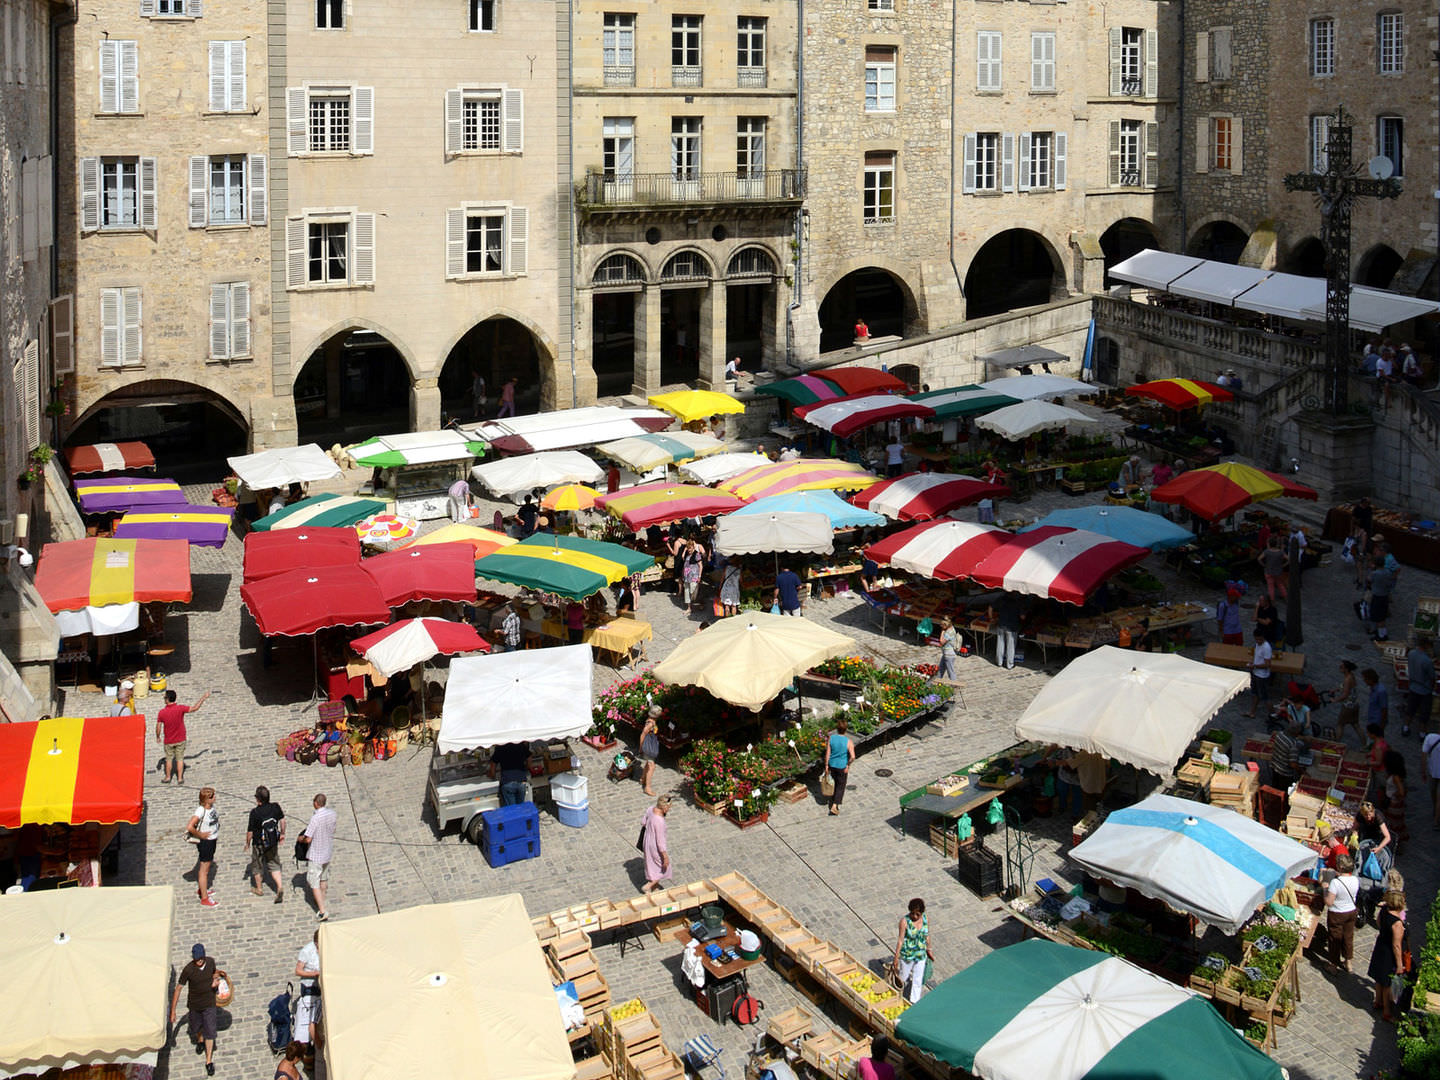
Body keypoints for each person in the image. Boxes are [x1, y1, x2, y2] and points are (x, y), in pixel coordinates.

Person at [171, 943, 220, 1076]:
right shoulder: (188, 970)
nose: (199, 961)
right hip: (195, 1005)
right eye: (197, 959)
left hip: (209, 1004)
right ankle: (200, 1040)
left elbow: (215, 972)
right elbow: (178, 989)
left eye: (201, 958)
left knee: (210, 1032)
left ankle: (208, 1061)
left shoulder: (210, 962)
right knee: (196, 1027)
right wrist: (173, 1011)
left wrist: (216, 980)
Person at [1368, 889, 1410, 1022]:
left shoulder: (1384, 911)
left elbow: (1379, 923)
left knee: (1379, 978)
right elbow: (1396, 945)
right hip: (1389, 954)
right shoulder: (1397, 923)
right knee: (1387, 983)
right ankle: (1387, 1012)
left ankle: (1377, 1001)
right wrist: (1399, 965)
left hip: (1381, 946)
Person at [156, 687, 210, 785]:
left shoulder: (162, 712)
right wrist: (203, 698)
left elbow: (158, 726)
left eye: (164, 698)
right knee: (180, 759)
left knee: (169, 759)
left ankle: (167, 777)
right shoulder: (180, 708)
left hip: (169, 740)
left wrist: (158, 736)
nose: (164, 699)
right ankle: (180, 778)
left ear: (167, 699)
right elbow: (195, 708)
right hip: (180, 738)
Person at [300, 793, 338, 922]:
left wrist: (301, 839)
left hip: (316, 854)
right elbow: (333, 830)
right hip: (327, 851)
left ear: (316, 803)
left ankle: (322, 911)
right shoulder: (332, 814)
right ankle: (321, 901)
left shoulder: (315, 818)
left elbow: (308, 838)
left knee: (314, 881)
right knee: (323, 878)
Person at [245, 786, 286, 903]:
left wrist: (247, 843)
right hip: (272, 841)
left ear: (258, 799)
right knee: (274, 864)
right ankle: (279, 886)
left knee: (257, 865)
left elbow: (250, 832)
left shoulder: (255, 813)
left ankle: (259, 889)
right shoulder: (275, 807)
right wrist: (282, 834)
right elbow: (283, 821)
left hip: (259, 843)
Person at [1323, 852, 1361, 972]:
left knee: (1335, 938)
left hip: (1337, 913)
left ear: (1340, 867)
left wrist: (1325, 889)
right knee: (1348, 937)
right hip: (1351, 911)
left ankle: (1333, 965)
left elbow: (1329, 902)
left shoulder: (1336, 883)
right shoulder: (1355, 880)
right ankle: (1348, 962)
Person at [892, 898, 933, 1005]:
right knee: (903, 978)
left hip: (921, 955)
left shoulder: (925, 919)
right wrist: (896, 958)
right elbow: (900, 941)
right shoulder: (904, 922)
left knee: (918, 980)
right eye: (912, 913)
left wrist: (929, 949)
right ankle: (895, 997)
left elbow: (927, 935)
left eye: (917, 914)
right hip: (907, 955)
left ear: (922, 913)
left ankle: (914, 1002)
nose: (914, 916)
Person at [186, 787, 220, 908]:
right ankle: (204, 898)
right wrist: (200, 835)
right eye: (212, 796)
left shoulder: (210, 807)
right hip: (206, 842)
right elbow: (190, 826)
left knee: (207, 867)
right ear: (206, 799)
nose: (214, 798)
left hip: (212, 840)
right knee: (204, 870)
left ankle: (203, 889)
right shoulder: (201, 810)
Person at [639, 795, 672, 893]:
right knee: (664, 867)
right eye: (669, 807)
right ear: (664, 807)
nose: (669, 810)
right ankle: (648, 886)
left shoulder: (650, 809)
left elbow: (643, 822)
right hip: (655, 846)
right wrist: (665, 856)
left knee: (653, 866)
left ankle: (655, 887)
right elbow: (660, 841)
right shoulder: (659, 821)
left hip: (647, 841)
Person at [294, 931, 322, 1047]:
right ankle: (313, 1044)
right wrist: (314, 974)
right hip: (309, 988)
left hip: (320, 987)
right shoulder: (307, 951)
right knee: (310, 1020)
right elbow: (298, 971)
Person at [1405, 638, 1434, 738]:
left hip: (1413, 686)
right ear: (1426, 645)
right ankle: (1422, 733)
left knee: (1410, 709)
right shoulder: (1427, 661)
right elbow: (1432, 677)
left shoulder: (1411, 654)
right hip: (1425, 690)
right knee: (1424, 713)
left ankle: (1406, 727)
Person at [826, 717, 855, 816]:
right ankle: (835, 805)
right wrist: (848, 765)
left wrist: (826, 765)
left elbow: (828, 753)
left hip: (832, 765)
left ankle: (832, 798)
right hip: (842, 766)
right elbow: (853, 756)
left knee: (833, 782)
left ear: (837, 729)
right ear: (846, 730)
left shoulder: (831, 738)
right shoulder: (848, 741)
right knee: (840, 786)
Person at [1381, 749, 1409, 849]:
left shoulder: (1395, 777)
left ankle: (1396, 845)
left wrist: (1394, 795)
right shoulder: (1397, 775)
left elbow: (1401, 791)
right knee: (1395, 824)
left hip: (1394, 804)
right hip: (1395, 803)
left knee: (1393, 825)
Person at [1243, 629, 1273, 718]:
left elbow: (1267, 664)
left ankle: (1273, 714)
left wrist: (1255, 666)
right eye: (1256, 639)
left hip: (1262, 676)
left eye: (1260, 639)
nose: (1258, 641)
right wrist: (1252, 663)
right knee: (1255, 693)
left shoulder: (1266, 648)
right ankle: (1252, 712)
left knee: (1265, 697)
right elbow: (1256, 656)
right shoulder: (1257, 644)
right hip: (1256, 673)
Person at [1332, 660, 1362, 743]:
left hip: (1348, 706)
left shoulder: (1347, 679)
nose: (1340, 667)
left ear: (1346, 669)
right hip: (1354, 705)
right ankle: (1364, 744)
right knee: (1356, 725)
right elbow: (1347, 687)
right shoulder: (1351, 675)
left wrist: (1335, 700)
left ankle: (1336, 743)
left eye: (1342, 667)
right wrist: (1336, 689)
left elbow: (1345, 695)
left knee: (1340, 725)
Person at [990, 593, 1021, 670]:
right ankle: (1009, 664)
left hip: (1001, 624)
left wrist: (991, 618)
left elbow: (990, 607)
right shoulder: (1018, 602)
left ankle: (999, 662)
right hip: (1012, 627)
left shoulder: (1001, 598)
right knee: (1011, 646)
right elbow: (1022, 616)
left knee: (1000, 643)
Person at [1367, 559, 1396, 640]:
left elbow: (1369, 580)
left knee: (1378, 616)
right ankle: (1383, 633)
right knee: (1382, 616)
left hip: (1377, 597)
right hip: (1385, 596)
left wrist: (1372, 570)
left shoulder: (1375, 573)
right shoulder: (1388, 572)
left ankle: (1381, 636)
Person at [1269, 719, 1300, 789]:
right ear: (1297, 733)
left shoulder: (1279, 734)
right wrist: (1301, 771)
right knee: (1283, 789)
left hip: (1275, 766)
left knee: (1275, 785)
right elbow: (1293, 764)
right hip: (1285, 772)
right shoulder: (1293, 744)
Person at [639, 705, 661, 796]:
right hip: (648, 747)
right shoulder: (650, 724)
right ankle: (647, 788)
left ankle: (643, 778)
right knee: (652, 766)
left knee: (648, 764)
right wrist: (641, 747)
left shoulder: (651, 721)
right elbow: (643, 734)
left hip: (650, 746)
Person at [679, 538, 706, 615]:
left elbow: (700, 565)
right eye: (688, 548)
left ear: (693, 547)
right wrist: (683, 575)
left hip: (694, 576)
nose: (689, 550)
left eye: (690, 548)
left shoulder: (697, 554)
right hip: (687, 577)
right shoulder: (687, 554)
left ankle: (700, 603)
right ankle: (689, 608)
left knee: (693, 591)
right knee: (687, 592)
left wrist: (699, 576)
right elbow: (684, 561)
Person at [1258, 536, 1288, 603]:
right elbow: (1288, 559)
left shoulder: (1267, 552)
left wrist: (1264, 565)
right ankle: (1286, 597)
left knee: (1270, 586)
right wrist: (1283, 565)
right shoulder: (1281, 552)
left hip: (1268, 571)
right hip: (1278, 571)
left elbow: (1259, 559)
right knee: (1280, 585)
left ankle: (1272, 600)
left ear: (1269, 544)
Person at [1363, 668, 1389, 734]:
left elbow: (1384, 709)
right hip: (1372, 719)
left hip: (1377, 722)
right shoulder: (1373, 689)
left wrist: (1381, 726)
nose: (1364, 681)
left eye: (1365, 679)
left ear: (1371, 680)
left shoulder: (1380, 691)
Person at [1423, 727, 1440, 826]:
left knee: (1433, 793)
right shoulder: (1430, 738)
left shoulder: (1430, 738)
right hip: (1433, 772)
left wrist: (1423, 771)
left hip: (1432, 772)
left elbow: (1424, 755)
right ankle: (1437, 817)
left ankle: (1436, 817)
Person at [934, 617, 959, 681]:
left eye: (942, 625)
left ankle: (954, 684)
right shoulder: (952, 628)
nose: (940, 626)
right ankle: (936, 681)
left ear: (945, 625)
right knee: (941, 670)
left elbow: (941, 642)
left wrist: (942, 632)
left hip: (949, 655)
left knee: (951, 672)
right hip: (947, 654)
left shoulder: (948, 632)